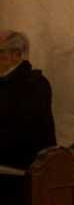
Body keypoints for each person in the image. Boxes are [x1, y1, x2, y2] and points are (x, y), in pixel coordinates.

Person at [0, 30, 56, 168]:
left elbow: (23, 128)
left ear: (16, 55)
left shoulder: (35, 84)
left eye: (0, 52)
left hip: (22, 166)